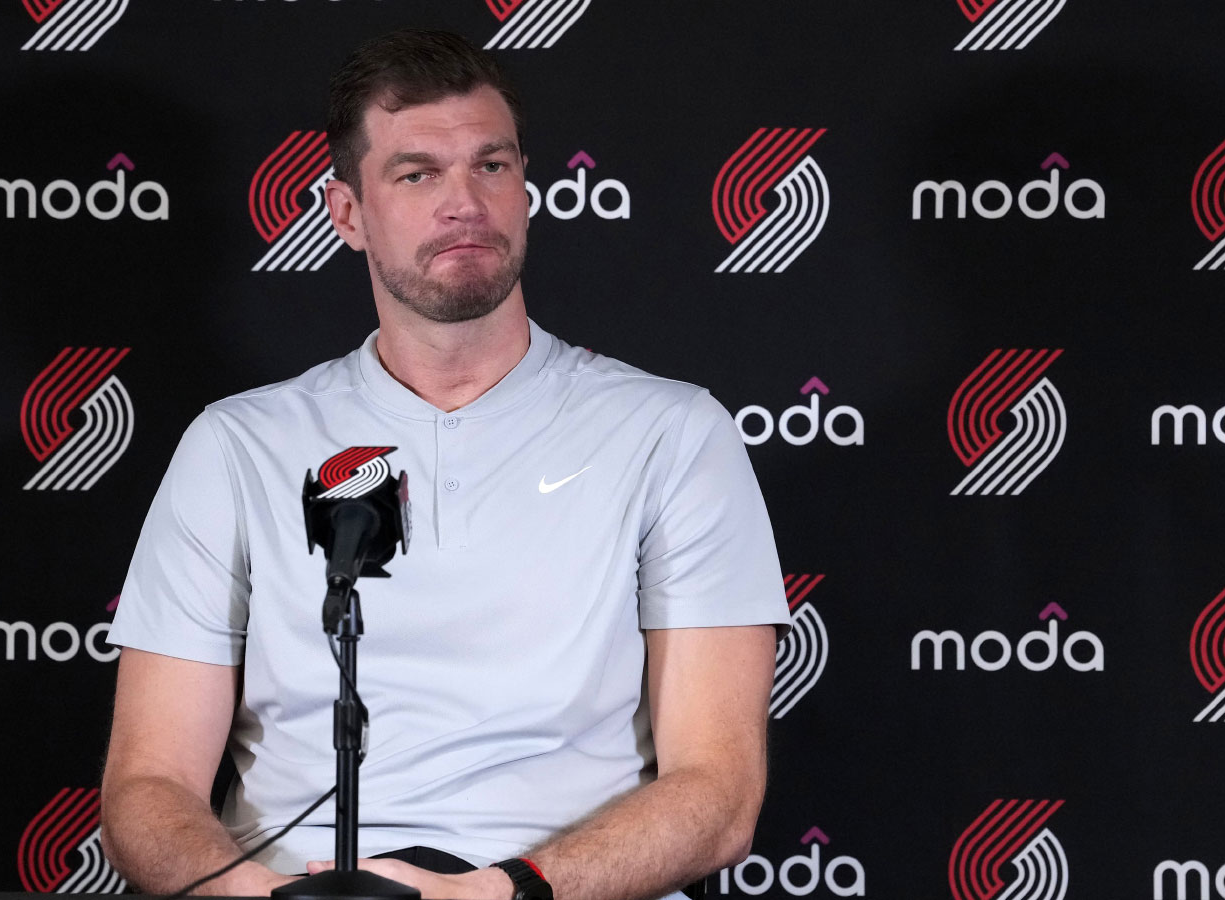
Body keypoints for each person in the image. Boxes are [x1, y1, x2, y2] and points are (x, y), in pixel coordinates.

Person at [100, 28, 789, 900]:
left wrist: (502, 893)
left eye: (491, 167)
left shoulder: (672, 433)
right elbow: (147, 788)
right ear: (346, 214)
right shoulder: (238, 444)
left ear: (527, 188)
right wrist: (261, 899)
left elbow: (719, 793)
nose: (465, 202)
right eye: (417, 173)